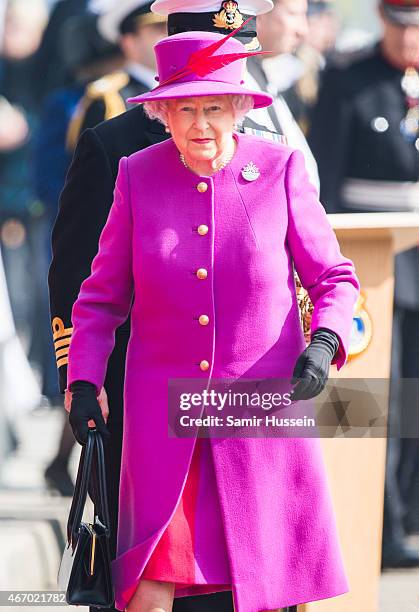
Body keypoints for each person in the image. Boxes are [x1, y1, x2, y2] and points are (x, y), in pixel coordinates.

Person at [66, 27, 360, 612]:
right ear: (164, 116)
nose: (202, 124)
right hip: (163, 421)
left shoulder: (280, 171)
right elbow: (99, 299)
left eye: (215, 108)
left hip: (259, 413)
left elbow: (334, 277)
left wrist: (324, 342)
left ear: (241, 107)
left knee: (267, 589)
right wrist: (83, 379)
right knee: (149, 586)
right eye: (186, 109)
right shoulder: (136, 176)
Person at [48, 4, 282, 611]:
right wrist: (82, 382)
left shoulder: (272, 139)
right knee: (153, 573)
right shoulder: (116, 144)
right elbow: (81, 279)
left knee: (248, 567)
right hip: (142, 394)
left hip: (248, 392)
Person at [308, 0, 419, 568]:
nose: (411, 38)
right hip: (373, 262)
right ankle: (379, 525)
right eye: (402, 25)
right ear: (384, 23)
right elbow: (324, 183)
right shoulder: (349, 82)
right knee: (376, 398)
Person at [249, 0, 320, 189]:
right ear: (258, 14)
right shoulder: (243, 81)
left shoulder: (258, 75)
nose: (302, 30)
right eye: (293, 14)